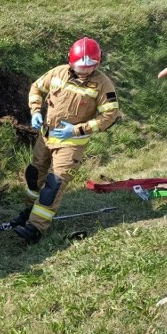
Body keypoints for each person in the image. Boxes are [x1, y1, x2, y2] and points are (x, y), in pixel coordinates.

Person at [11, 37, 120, 244]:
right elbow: (37, 88)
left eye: (91, 66)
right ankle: (28, 212)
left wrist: (78, 130)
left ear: (98, 64)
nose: (85, 71)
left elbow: (110, 115)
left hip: (72, 144)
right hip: (46, 136)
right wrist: (35, 110)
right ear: (71, 62)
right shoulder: (57, 73)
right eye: (81, 66)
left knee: (54, 183)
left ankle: (35, 228)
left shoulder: (103, 85)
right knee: (34, 175)